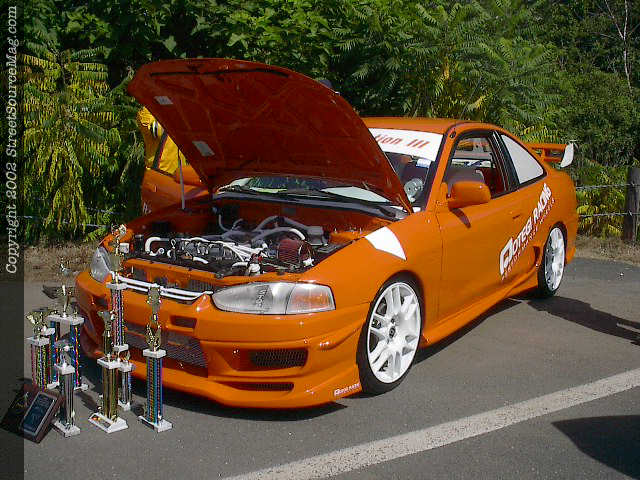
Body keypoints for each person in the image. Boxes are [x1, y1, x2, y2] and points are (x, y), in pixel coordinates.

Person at [136, 106, 185, 175]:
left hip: (179, 173)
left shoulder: (176, 110)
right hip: (159, 172)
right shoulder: (145, 112)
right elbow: (159, 131)